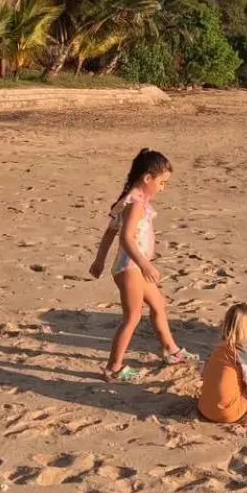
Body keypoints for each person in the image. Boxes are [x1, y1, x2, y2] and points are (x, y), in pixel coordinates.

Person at [89, 148, 195, 379]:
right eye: (161, 183)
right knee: (133, 316)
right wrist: (145, 264)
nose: (162, 188)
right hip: (131, 268)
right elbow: (125, 237)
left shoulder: (131, 199)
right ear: (147, 178)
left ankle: (171, 350)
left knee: (158, 304)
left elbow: (109, 233)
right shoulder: (135, 202)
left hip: (132, 267)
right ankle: (113, 368)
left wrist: (99, 261)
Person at [198, 304, 247, 425]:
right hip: (229, 413)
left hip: (203, 408)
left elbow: (204, 373)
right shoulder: (245, 357)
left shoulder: (219, 349)